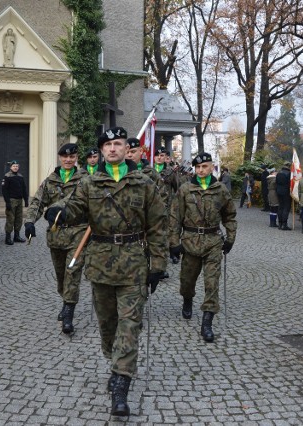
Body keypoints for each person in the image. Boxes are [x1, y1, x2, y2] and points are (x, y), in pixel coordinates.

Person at [44, 127, 167, 417]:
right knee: (107, 324)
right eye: (107, 145)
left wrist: (158, 264)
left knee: (130, 323)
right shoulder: (89, 182)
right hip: (100, 264)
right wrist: (58, 211)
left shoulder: (143, 182)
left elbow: (158, 225)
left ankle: (121, 382)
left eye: (118, 144)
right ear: (101, 151)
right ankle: (115, 361)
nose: (112, 149)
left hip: (134, 263)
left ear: (127, 148)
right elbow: (74, 206)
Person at [169, 152, 237, 342]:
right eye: (197, 167)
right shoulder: (185, 189)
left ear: (211, 166)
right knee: (187, 281)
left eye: (204, 167)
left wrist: (230, 237)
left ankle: (207, 323)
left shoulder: (221, 189)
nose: (200, 170)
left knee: (212, 283)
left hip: (213, 242)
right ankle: (187, 299)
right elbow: (175, 218)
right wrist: (174, 243)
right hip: (190, 241)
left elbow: (230, 215)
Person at [24, 143, 88, 334]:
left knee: (72, 271)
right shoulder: (50, 180)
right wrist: (29, 222)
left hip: (78, 232)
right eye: (64, 156)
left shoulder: (85, 179)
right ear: (60, 158)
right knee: (61, 276)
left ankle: (69, 311)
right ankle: (65, 299)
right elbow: (37, 202)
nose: (68, 160)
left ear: (76, 157)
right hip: (56, 235)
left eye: (72, 156)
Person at [2, 160, 28, 245]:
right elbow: (4, 190)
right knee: (10, 219)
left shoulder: (20, 176)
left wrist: (26, 199)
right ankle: (8, 237)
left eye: (17, 166)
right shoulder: (7, 176)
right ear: (10, 167)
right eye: (14, 166)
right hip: (11, 200)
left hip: (19, 200)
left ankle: (16, 236)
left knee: (19, 219)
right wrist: (7, 202)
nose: (15, 167)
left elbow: (24, 189)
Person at [275, 162, 292, 230]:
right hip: (286, 192)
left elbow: (276, 182)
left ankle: (280, 224)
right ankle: (284, 225)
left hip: (279, 191)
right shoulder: (289, 174)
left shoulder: (279, 173)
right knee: (286, 208)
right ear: (289, 166)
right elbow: (290, 184)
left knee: (280, 207)